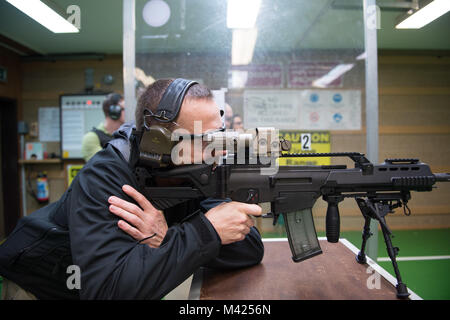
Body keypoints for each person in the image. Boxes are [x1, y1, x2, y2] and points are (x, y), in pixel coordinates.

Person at [0, 79, 264, 300]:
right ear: (160, 144)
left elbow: (250, 249)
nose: (220, 150)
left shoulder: (197, 170)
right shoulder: (105, 177)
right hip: (38, 283)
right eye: (206, 139)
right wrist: (203, 233)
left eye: (220, 135)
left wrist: (170, 237)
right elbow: (106, 290)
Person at [81, 93, 125, 162]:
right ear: (115, 111)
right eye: (125, 109)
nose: (129, 112)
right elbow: (104, 165)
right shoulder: (91, 138)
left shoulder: (125, 135)